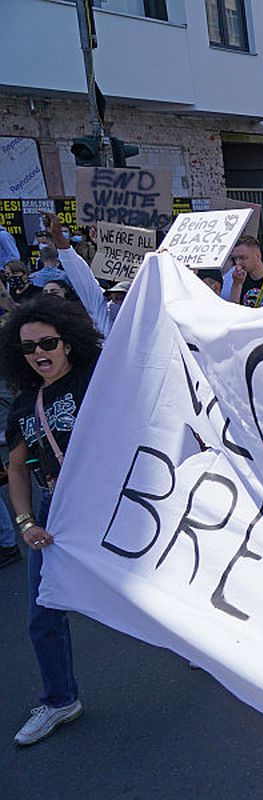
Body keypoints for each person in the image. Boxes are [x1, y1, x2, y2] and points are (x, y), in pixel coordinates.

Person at [0, 295, 103, 745]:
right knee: (43, 613)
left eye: (48, 342)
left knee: (158, 593)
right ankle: (60, 699)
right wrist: (25, 523)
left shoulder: (99, 378)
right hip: (54, 513)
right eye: (28, 347)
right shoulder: (24, 404)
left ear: (68, 343)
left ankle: (212, 650)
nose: (39, 353)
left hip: (111, 506)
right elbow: (18, 468)